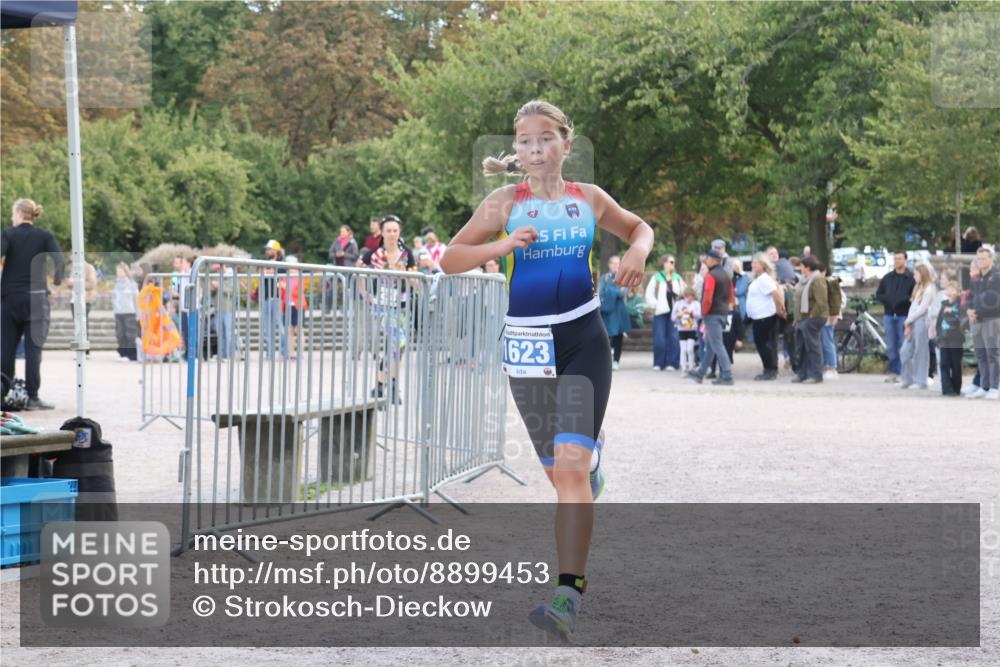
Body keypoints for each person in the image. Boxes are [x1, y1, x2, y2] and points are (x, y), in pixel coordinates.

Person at [438, 100, 652, 642]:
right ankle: (590, 467)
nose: (535, 149)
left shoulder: (589, 200)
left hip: (582, 340)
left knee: (572, 473)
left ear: (565, 144)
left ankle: (566, 595)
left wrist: (639, 253)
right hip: (528, 350)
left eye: (545, 139)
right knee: (564, 476)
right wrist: (504, 244)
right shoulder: (504, 201)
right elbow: (450, 258)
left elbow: (639, 228)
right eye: (525, 141)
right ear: (517, 149)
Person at [1, 198, 64, 409]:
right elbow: (60, 261)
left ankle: (3, 394)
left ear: (19, 213)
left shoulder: (7, 234)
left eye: (12, 213)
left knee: (6, 349)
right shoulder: (45, 236)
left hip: (10, 298)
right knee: (33, 350)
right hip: (37, 298)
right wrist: (54, 286)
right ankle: (32, 396)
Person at [361, 215, 415, 403]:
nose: (392, 234)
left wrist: (407, 275)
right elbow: (359, 267)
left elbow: (415, 281)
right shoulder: (375, 254)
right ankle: (389, 385)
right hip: (381, 306)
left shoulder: (406, 253)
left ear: (399, 232)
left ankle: (383, 384)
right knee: (395, 343)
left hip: (400, 304)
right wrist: (363, 293)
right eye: (388, 231)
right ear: (382, 233)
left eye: (395, 230)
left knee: (397, 347)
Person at [687, 248, 735, 385]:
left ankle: (727, 375)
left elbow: (707, 296)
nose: (706, 261)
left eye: (707, 258)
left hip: (712, 314)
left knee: (717, 344)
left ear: (712, 260)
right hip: (722, 312)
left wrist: (704, 312)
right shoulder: (726, 275)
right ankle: (701, 372)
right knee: (711, 345)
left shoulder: (711, 276)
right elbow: (731, 295)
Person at [874, 251, 915, 382]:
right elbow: (879, 294)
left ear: (905, 260)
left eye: (900, 259)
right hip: (889, 315)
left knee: (904, 344)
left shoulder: (911, 278)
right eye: (895, 259)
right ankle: (894, 371)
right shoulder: (887, 278)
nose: (897, 261)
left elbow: (913, 295)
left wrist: (904, 300)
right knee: (891, 345)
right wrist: (887, 300)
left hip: (904, 315)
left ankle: (906, 372)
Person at [967, 246, 1000, 399]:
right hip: (976, 320)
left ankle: (995, 386)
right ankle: (984, 385)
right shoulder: (976, 278)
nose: (981, 261)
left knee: (992, 354)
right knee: (980, 354)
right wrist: (969, 310)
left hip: (992, 319)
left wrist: (976, 311)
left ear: (991, 259)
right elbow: (970, 296)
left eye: (984, 258)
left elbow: (993, 300)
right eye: (978, 259)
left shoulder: (997, 276)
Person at [746, 253, 785, 380]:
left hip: (765, 316)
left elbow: (775, 294)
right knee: (762, 343)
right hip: (759, 316)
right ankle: (769, 368)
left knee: (764, 344)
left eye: (755, 263)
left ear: (762, 265)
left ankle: (770, 369)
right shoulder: (759, 279)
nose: (753, 265)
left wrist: (780, 309)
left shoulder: (764, 279)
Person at [791, 255, 828, 384]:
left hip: (813, 318)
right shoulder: (803, 280)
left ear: (807, 267)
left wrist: (812, 315)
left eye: (801, 266)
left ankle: (816, 375)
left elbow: (821, 301)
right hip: (802, 318)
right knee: (801, 347)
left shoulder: (817, 280)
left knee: (812, 347)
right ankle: (802, 373)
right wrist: (797, 318)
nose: (799, 268)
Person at [899, 264, 936, 390]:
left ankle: (921, 380)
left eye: (916, 274)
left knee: (921, 352)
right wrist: (909, 322)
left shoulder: (929, 289)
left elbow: (922, 309)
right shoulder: (918, 288)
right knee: (905, 352)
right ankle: (907, 379)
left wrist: (909, 320)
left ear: (922, 274)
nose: (914, 277)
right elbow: (913, 307)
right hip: (913, 321)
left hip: (922, 321)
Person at [644, 254, 683, 371]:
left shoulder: (677, 278)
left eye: (673, 262)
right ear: (664, 263)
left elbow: (683, 294)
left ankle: (673, 362)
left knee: (674, 337)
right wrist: (656, 305)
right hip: (660, 312)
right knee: (659, 338)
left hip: (675, 313)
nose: (672, 264)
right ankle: (659, 362)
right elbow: (649, 294)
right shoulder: (656, 277)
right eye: (670, 262)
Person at [599, 255, 632, 371]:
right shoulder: (604, 278)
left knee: (618, 335)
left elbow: (623, 293)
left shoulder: (624, 278)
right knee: (606, 335)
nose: (616, 266)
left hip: (619, 310)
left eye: (618, 263)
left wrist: (611, 291)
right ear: (609, 264)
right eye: (613, 263)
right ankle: (606, 359)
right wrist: (615, 292)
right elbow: (601, 293)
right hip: (607, 310)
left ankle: (616, 360)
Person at [259, 240, 287, 360]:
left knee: (280, 326)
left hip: (277, 298)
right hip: (266, 297)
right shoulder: (265, 263)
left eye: (269, 249)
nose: (267, 251)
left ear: (276, 250)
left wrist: (270, 272)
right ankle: (269, 354)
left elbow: (281, 277)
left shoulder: (282, 263)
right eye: (267, 249)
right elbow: (262, 274)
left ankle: (283, 352)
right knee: (267, 328)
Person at [935, 283, 965, 396]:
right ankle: (946, 388)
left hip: (956, 339)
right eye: (948, 288)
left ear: (958, 292)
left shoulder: (960, 306)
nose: (950, 291)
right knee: (944, 363)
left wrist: (951, 313)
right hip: (944, 338)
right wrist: (938, 337)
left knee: (955, 364)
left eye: (953, 289)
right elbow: (939, 322)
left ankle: (956, 388)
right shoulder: (943, 305)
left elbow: (962, 322)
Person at [280, 256, 307, 360]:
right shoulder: (284, 277)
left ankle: (300, 353)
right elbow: (282, 293)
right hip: (287, 305)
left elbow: (298, 292)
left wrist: (285, 287)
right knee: (289, 329)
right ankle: (291, 353)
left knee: (299, 329)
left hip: (298, 305)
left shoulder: (301, 276)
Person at [112, 262, 139, 362]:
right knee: (120, 334)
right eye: (117, 271)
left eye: (120, 271)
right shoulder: (116, 284)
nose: (118, 273)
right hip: (118, 313)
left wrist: (138, 314)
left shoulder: (132, 285)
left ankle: (131, 354)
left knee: (130, 335)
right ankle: (122, 353)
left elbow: (136, 300)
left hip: (130, 313)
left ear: (125, 272)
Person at [821, 266, 844, 381]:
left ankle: (831, 367)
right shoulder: (827, 282)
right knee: (826, 341)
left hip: (828, 317)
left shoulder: (831, 282)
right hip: (826, 316)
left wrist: (835, 314)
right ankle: (828, 366)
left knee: (827, 342)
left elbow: (838, 300)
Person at [672, 287, 701, 371]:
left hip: (692, 329)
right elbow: (673, 317)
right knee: (683, 350)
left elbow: (700, 315)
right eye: (687, 297)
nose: (689, 299)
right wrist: (679, 314)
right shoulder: (678, 304)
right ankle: (684, 367)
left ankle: (691, 367)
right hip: (681, 329)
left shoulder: (696, 304)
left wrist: (692, 313)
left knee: (690, 349)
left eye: (691, 297)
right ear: (684, 296)